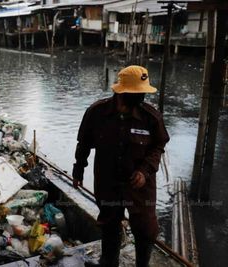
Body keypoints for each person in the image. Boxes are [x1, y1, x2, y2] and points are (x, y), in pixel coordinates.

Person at [72, 65, 170, 267]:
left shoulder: (151, 118)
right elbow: (83, 143)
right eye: (137, 93)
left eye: (143, 93)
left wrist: (145, 170)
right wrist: (78, 170)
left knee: (145, 229)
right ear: (121, 91)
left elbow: (158, 146)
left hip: (140, 186)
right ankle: (108, 263)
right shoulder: (96, 113)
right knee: (109, 223)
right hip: (108, 182)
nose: (141, 97)